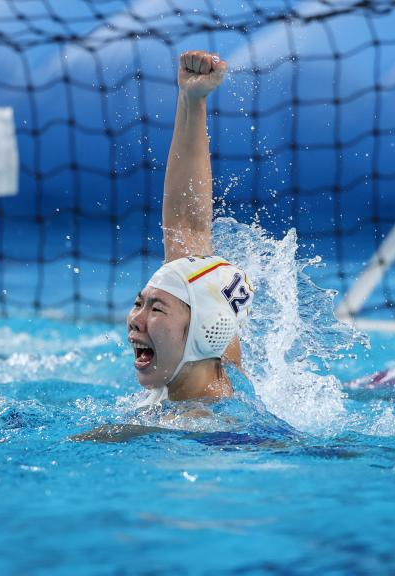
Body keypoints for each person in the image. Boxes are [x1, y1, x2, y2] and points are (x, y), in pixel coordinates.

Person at [127, 49, 253, 405]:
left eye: (155, 309)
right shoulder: (207, 356)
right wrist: (191, 99)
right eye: (140, 303)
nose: (135, 320)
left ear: (203, 329)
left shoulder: (198, 424)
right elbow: (186, 226)